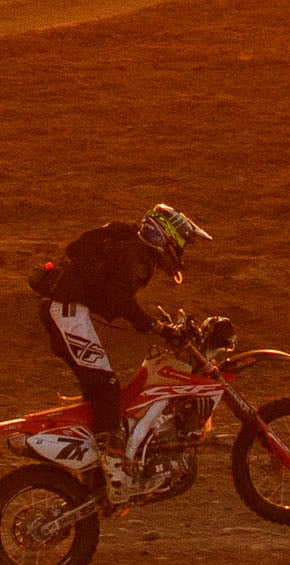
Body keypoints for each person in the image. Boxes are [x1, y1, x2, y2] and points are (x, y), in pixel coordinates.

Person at [30, 204, 211, 502]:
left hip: (68, 310)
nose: (181, 251)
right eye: (182, 243)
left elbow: (105, 286)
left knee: (99, 388)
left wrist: (157, 325)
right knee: (107, 387)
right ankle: (114, 469)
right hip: (66, 311)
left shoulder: (129, 245)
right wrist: (158, 327)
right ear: (169, 236)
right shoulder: (137, 255)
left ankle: (94, 472)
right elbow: (120, 300)